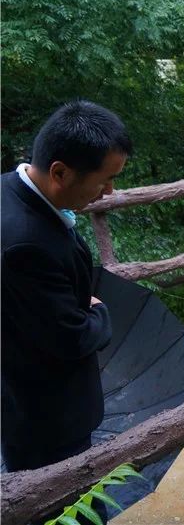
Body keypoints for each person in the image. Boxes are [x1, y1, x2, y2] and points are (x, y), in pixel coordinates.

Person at [2, 101, 131, 473]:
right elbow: (71, 339)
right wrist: (97, 311)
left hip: (23, 395)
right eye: (103, 180)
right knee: (66, 504)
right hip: (47, 420)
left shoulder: (10, 191)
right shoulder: (25, 243)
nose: (109, 191)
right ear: (60, 172)